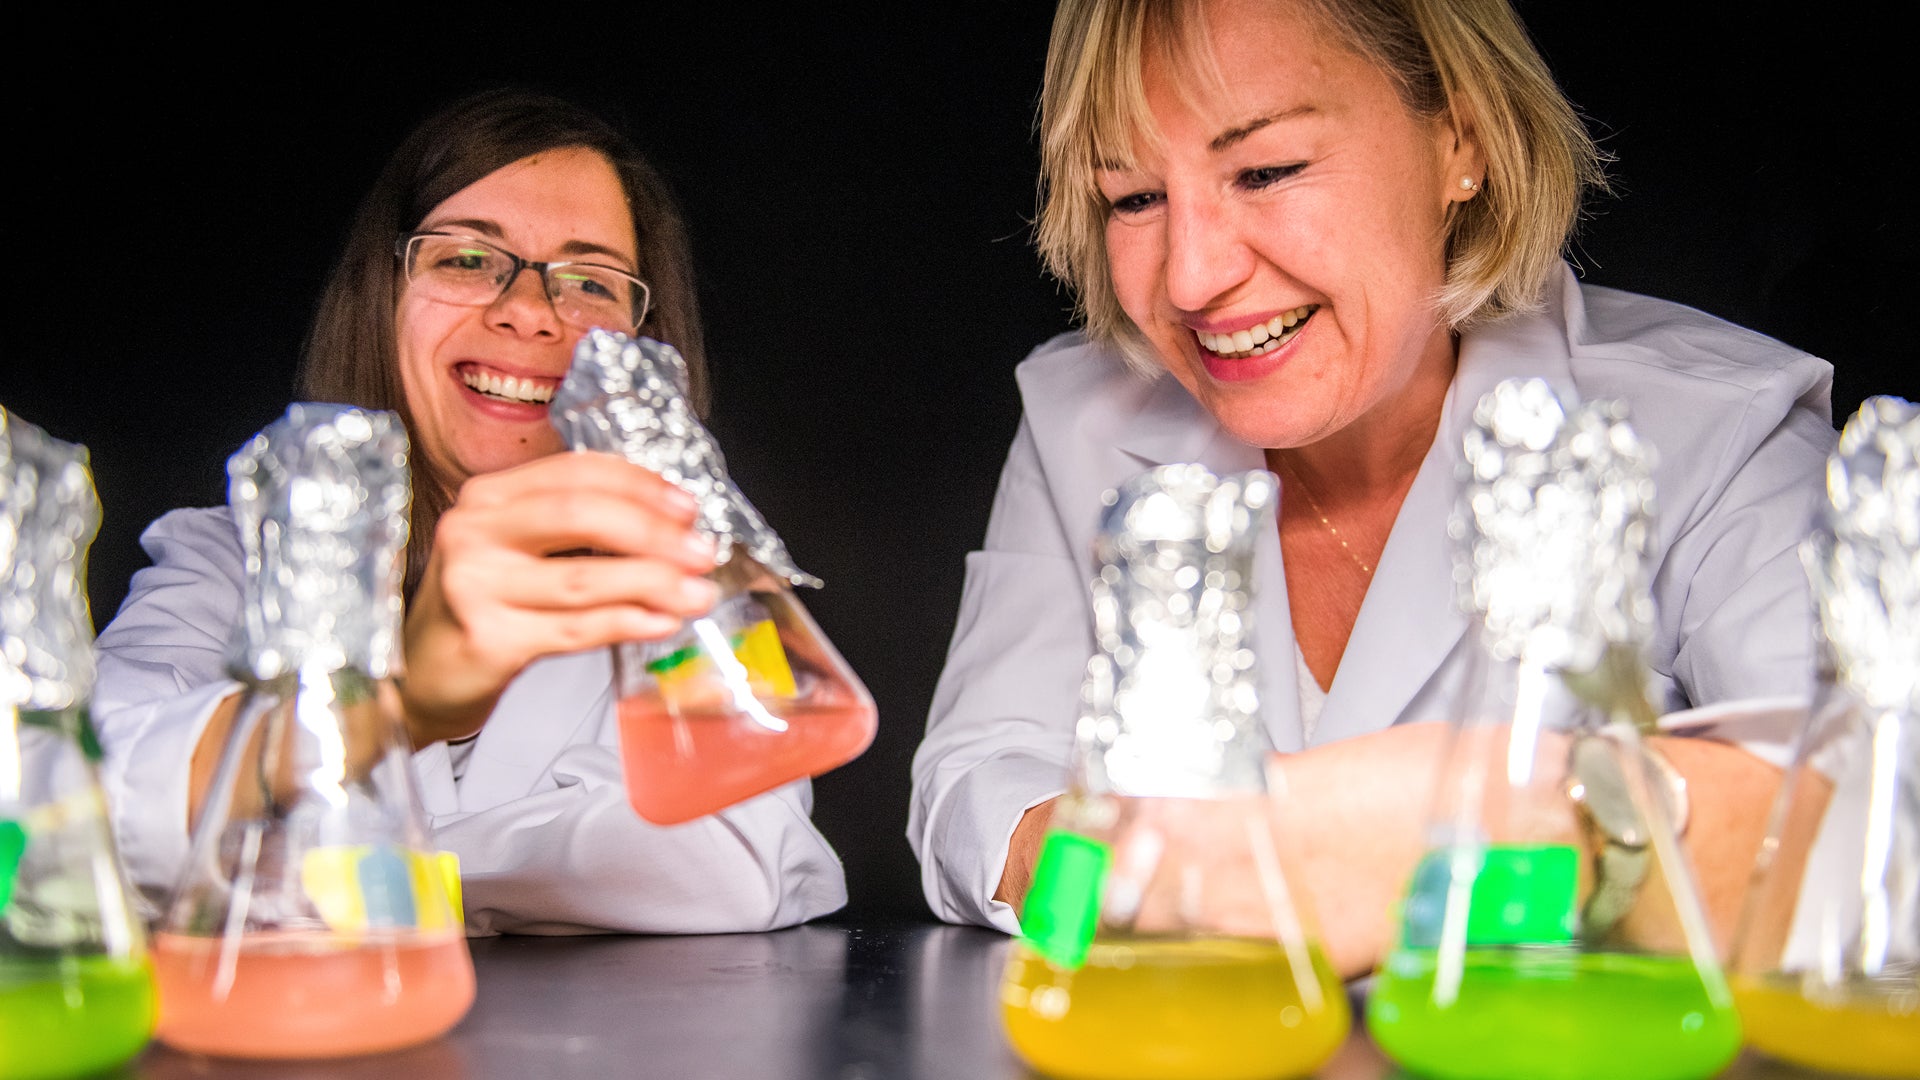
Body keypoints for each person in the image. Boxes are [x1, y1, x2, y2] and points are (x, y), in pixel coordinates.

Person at [909, 0, 1835, 976]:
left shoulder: (1717, 430)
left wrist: (1453, 833)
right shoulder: (1083, 421)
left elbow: (1874, 829)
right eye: (1133, 197)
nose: (1189, 277)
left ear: (1460, 141)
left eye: (1265, 170)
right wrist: (1163, 888)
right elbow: (980, 792)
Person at [93, 88, 847, 934]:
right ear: (382, 297)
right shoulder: (228, 561)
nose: (529, 311)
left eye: (589, 280)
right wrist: (389, 704)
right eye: (465, 259)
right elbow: (66, 807)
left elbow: (741, 858)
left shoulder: (691, 577)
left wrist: (329, 862)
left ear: (643, 342)